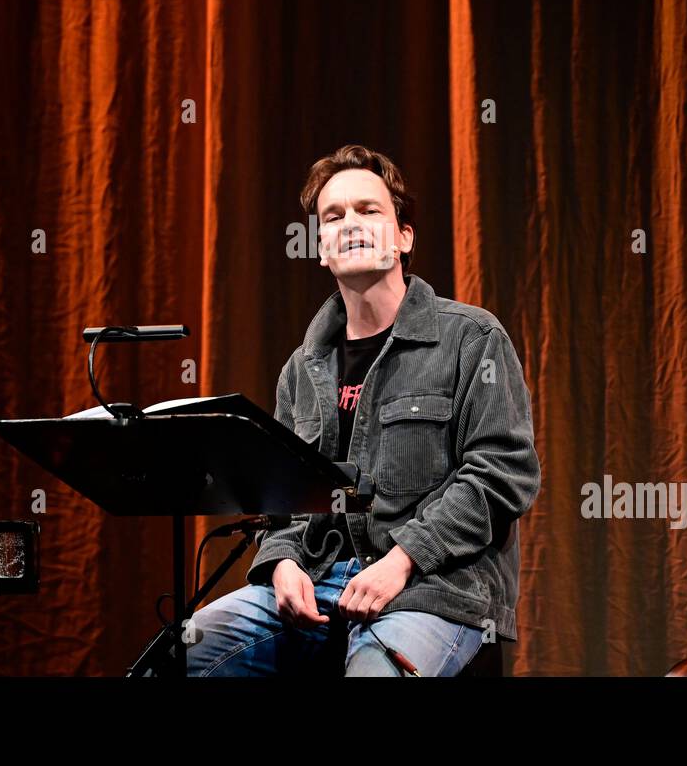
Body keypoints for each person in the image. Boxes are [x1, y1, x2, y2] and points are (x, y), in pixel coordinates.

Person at [186, 144, 541, 676]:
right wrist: (281, 564)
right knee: (184, 652)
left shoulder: (471, 338)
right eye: (334, 216)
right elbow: (280, 503)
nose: (350, 223)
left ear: (404, 236)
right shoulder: (301, 369)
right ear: (322, 248)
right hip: (321, 578)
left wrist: (403, 560)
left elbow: (503, 474)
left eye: (368, 210)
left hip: (434, 588)